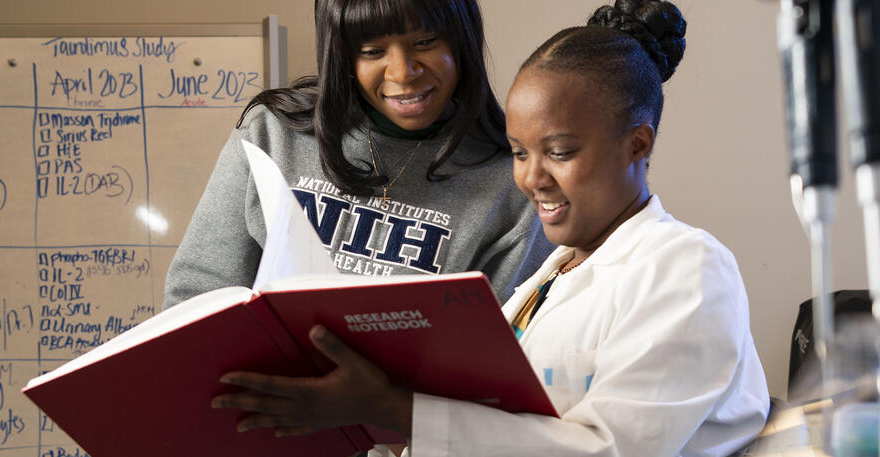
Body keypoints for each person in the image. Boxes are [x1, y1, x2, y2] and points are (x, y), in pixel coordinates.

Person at [211, 1, 772, 456]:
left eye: (560, 152)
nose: (532, 179)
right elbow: (484, 429)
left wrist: (387, 408)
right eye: (520, 152)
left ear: (638, 143)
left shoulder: (686, 267)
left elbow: (609, 450)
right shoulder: (552, 278)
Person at [163, 0, 551, 307]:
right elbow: (198, 293)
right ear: (343, 59)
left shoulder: (512, 179)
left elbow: (499, 345)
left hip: (408, 406)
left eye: (425, 42)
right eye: (371, 51)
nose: (402, 72)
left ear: (461, 41)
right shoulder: (272, 134)